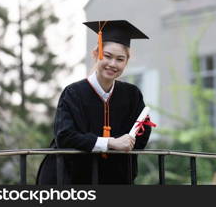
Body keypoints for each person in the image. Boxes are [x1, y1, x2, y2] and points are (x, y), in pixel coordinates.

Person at [36, 20, 153, 184]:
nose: (113, 64)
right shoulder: (74, 93)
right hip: (73, 179)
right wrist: (110, 143)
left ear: (126, 62)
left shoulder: (132, 95)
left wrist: (129, 142)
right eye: (107, 56)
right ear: (95, 54)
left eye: (120, 59)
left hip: (115, 179)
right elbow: (65, 136)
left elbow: (142, 131)